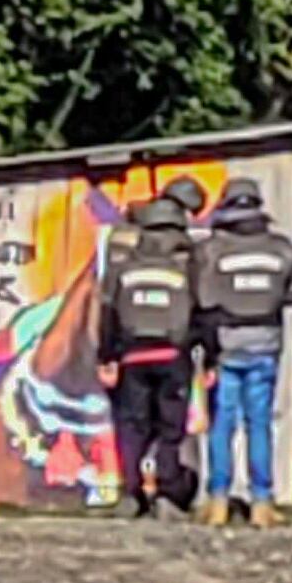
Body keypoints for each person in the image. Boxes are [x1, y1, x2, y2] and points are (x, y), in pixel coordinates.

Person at [193, 179, 292, 527]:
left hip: (225, 345)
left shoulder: (211, 250)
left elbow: (204, 303)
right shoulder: (281, 248)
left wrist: (207, 354)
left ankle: (218, 500)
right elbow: (290, 292)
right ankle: (261, 502)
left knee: (222, 424)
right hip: (266, 342)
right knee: (259, 423)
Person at [99, 195, 201, 519]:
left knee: (132, 428)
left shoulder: (125, 266)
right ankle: (167, 495)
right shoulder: (188, 266)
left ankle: (131, 493)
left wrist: (107, 355)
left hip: (133, 358)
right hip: (173, 356)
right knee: (171, 430)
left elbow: (108, 312)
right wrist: (204, 352)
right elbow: (200, 312)